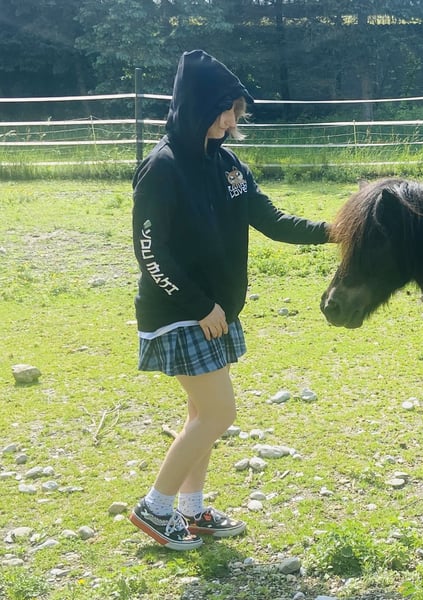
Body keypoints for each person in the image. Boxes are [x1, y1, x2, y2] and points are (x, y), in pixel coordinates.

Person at [129, 50, 330, 550]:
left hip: (213, 314)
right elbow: (150, 252)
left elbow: (271, 219)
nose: (229, 120)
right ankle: (155, 507)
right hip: (179, 314)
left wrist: (337, 231)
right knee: (219, 415)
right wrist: (200, 306)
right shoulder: (162, 168)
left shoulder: (228, 165)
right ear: (194, 105)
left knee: (201, 416)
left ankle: (192, 510)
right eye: (221, 109)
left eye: (234, 109)